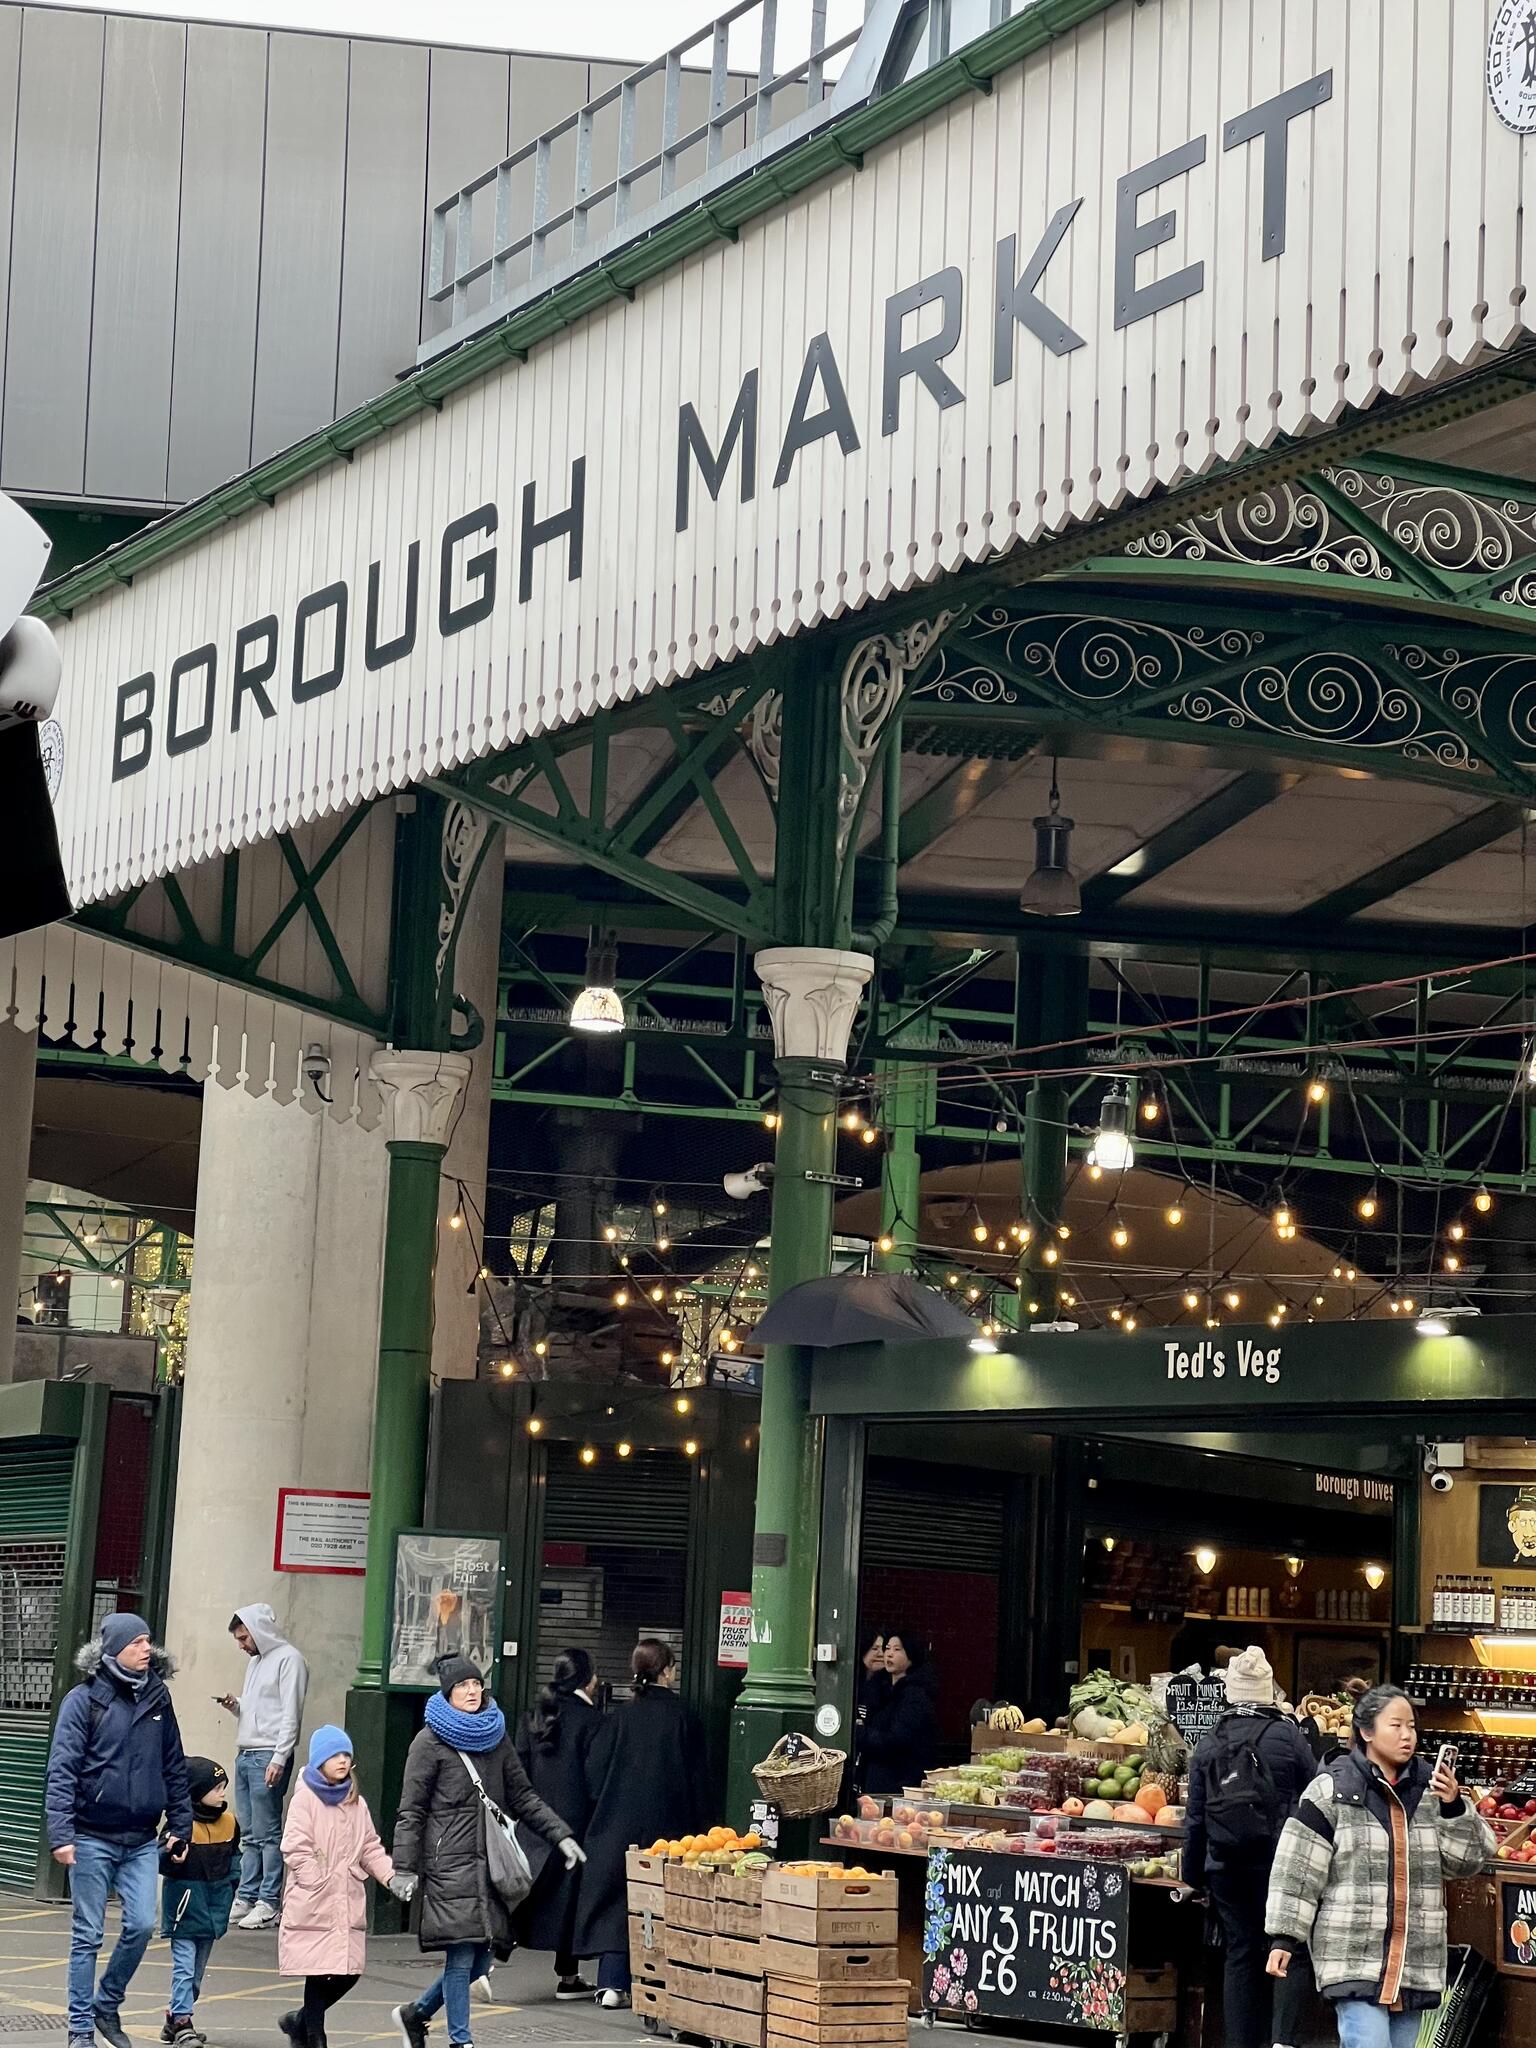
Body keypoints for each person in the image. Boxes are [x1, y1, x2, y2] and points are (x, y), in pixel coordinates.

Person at [1266, 1683, 1495, 2048]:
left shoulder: (1430, 1792)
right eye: (1396, 1726)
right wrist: (1284, 1937)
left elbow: (1467, 1862)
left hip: (1416, 1962)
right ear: (1366, 1731)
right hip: (1353, 1955)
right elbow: (1297, 1866)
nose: (1407, 1736)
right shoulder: (1332, 1790)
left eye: (1412, 1726)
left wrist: (1454, 1807)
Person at [391, 1656, 582, 2048]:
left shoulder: (496, 1737)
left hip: (492, 1865)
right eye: (463, 1686)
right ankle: (461, 2041)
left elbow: (523, 1796)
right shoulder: (428, 1743)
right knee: (461, 1958)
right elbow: (411, 1810)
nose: (472, 1691)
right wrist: (404, 1869)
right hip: (449, 1863)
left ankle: (417, 2013)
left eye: (477, 1684)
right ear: (447, 1692)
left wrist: (559, 1834)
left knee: (482, 1958)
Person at [46, 1612, 193, 2048]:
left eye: (149, 1641)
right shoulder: (83, 1700)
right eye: (137, 1642)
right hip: (91, 1835)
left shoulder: (158, 1698)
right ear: (115, 1649)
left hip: (141, 1838)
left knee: (143, 1924)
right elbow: (62, 1770)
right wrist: (62, 1834)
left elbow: (174, 1766)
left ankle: (106, 2003)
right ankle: (79, 2030)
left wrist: (180, 1824)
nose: (147, 1648)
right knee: (88, 1934)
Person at [1183, 1647, 1319, 2048]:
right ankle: (1281, 2041)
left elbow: (1195, 1818)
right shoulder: (1289, 1735)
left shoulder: (1210, 1741)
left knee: (1240, 1953)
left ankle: (1241, 2042)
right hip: (1280, 1864)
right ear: (1267, 1692)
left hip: (1225, 1866)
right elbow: (1315, 1793)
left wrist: (1194, 1875)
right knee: (1287, 1949)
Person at [572, 1639, 710, 2010]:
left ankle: (611, 1983)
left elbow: (594, 1774)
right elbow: (699, 1779)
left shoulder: (619, 1717)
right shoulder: (685, 1717)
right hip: (671, 1824)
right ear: (667, 1671)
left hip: (616, 1820)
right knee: (663, 1901)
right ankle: (655, 1982)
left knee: (619, 1899)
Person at [277, 1726, 408, 2048]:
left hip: (346, 1898)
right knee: (318, 1971)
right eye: (335, 1755)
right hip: (315, 1897)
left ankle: (299, 2020)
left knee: (349, 1973)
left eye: (346, 1755)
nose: (342, 1761)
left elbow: (369, 1848)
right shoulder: (305, 1798)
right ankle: (314, 2036)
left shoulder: (356, 1802)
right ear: (320, 1760)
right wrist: (315, 1882)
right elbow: (295, 1847)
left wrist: (391, 1877)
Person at [514, 1648, 604, 2001]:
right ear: (589, 1678)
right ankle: (568, 1975)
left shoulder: (534, 1716)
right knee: (570, 1903)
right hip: (576, 1826)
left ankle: (485, 1963)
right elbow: (596, 1780)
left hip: (534, 1823)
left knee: (523, 1896)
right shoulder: (593, 1721)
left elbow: (517, 1770)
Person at [219, 1604, 309, 1930]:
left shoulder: (290, 1660)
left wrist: (280, 1756)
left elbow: (290, 1714)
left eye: (244, 1638)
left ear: (258, 1631)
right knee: (250, 1832)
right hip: (248, 1753)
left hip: (267, 1754)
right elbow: (260, 1708)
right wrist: (235, 1706)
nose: (242, 1645)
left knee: (268, 1832)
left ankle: (268, 1900)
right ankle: (247, 1895)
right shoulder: (257, 1662)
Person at [158, 1758, 241, 2047]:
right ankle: (182, 2021)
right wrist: (171, 1855)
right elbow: (159, 1859)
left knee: (194, 1974)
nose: (222, 1794)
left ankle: (174, 2017)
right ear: (195, 1792)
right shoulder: (180, 1825)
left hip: (212, 1910)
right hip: (184, 1911)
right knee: (184, 1967)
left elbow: (235, 1859)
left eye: (223, 1788)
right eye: (216, 1788)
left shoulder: (230, 1823)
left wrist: (232, 1888)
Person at [859, 1627, 940, 1796]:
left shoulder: (915, 1696)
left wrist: (860, 1734)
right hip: (876, 1780)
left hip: (899, 1784)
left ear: (911, 1655)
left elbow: (896, 1740)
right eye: (887, 1648)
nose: (889, 1654)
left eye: (897, 1649)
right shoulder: (879, 1690)